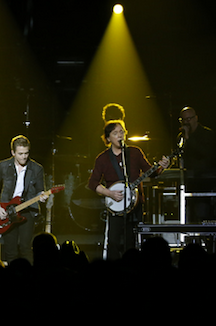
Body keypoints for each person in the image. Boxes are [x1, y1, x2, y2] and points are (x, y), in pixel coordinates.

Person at [88, 120, 170, 260]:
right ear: (108, 138)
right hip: (116, 205)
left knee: (131, 242)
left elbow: (151, 172)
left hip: (135, 204)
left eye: (122, 132)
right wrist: (109, 193)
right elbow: (92, 183)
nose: (120, 135)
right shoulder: (102, 159)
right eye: (115, 133)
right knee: (113, 241)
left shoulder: (135, 152)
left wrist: (162, 167)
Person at [0, 135, 47, 262]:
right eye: (20, 154)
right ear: (13, 152)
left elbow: (40, 190)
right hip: (7, 211)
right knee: (10, 250)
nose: (24, 157)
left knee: (26, 248)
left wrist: (41, 197)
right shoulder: (3, 166)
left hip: (27, 211)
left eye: (26, 153)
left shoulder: (37, 168)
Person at [177, 106, 216, 222]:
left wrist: (189, 139)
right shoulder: (181, 137)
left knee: (201, 212)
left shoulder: (207, 134)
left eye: (189, 119)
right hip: (187, 181)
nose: (186, 122)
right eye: (184, 120)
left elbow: (205, 153)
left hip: (203, 182)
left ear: (196, 118)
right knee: (187, 214)